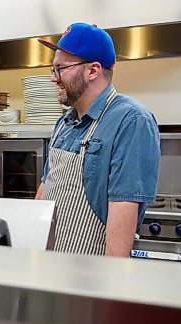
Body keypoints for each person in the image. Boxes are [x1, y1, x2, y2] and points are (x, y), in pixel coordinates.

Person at [35, 23, 160, 257]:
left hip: (90, 282)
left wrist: (106, 291)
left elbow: (123, 215)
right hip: (49, 272)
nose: (54, 78)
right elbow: (46, 186)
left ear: (92, 70)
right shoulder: (63, 123)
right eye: (53, 69)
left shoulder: (131, 121)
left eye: (60, 69)